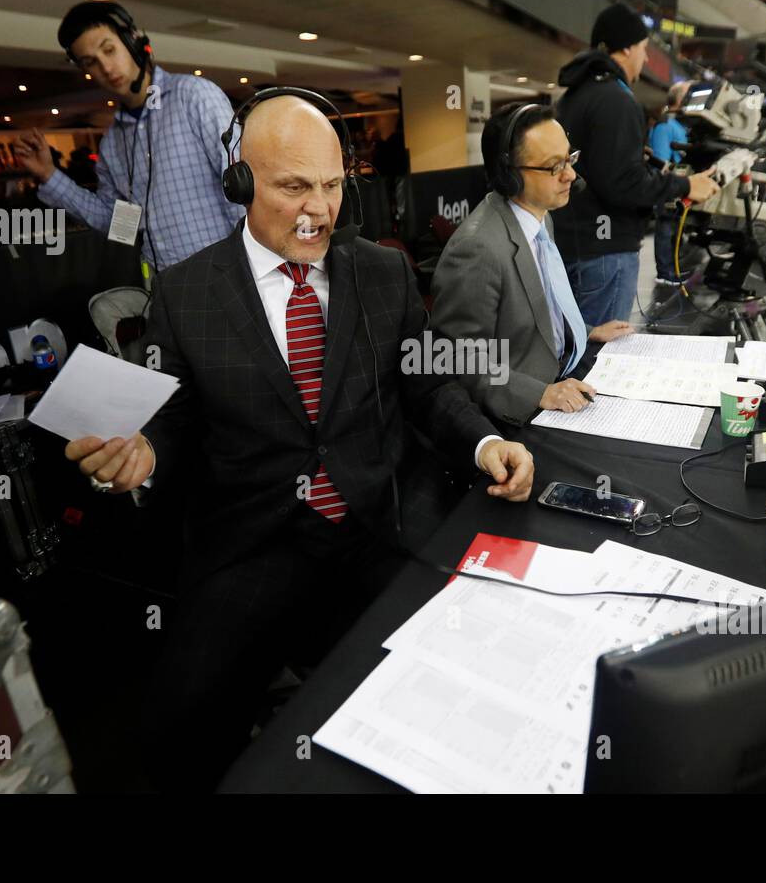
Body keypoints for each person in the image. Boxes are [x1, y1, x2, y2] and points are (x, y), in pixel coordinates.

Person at [64, 94, 535, 790]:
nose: (318, 209)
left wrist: (482, 443)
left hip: (378, 526)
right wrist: (144, 456)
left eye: (332, 185)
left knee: (456, 692)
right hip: (253, 543)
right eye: (293, 186)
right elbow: (173, 418)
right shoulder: (186, 294)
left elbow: (430, 387)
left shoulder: (383, 273)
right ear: (241, 182)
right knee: (179, 731)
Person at [431, 103, 632, 424]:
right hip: (527, 403)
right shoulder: (477, 249)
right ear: (509, 174)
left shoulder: (539, 216)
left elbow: (539, 312)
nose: (571, 175)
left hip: (567, 367)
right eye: (554, 166)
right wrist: (539, 394)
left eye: (569, 159)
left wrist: (585, 332)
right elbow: (457, 359)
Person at [14, 1, 242, 277]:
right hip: (165, 293)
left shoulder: (193, 97)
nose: (106, 68)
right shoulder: (113, 144)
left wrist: (246, 274)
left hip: (225, 280)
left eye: (109, 50)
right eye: (91, 63)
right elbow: (121, 227)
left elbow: (243, 192)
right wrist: (49, 175)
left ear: (133, 40)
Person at [551, 3, 719, 326]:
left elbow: (601, 168)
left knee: (578, 347)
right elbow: (623, 183)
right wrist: (687, 185)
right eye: (643, 49)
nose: (645, 57)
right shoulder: (616, 99)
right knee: (602, 358)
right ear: (626, 48)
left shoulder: (575, 95)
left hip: (576, 246)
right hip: (604, 256)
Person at [648, 82, 694, 287]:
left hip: (680, 184)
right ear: (677, 98)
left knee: (674, 229)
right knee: (665, 228)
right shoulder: (665, 124)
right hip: (668, 186)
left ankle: (671, 269)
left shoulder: (679, 124)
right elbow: (660, 160)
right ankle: (665, 272)